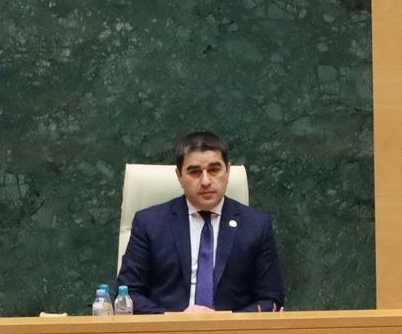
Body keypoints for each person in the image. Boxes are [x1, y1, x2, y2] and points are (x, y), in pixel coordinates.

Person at [117, 132, 286, 314]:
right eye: (195, 172)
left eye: (214, 170)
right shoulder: (149, 223)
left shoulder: (256, 225)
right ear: (179, 175)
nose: (205, 181)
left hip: (232, 330)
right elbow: (127, 294)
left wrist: (226, 321)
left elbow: (271, 298)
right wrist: (175, 319)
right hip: (168, 328)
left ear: (228, 171)